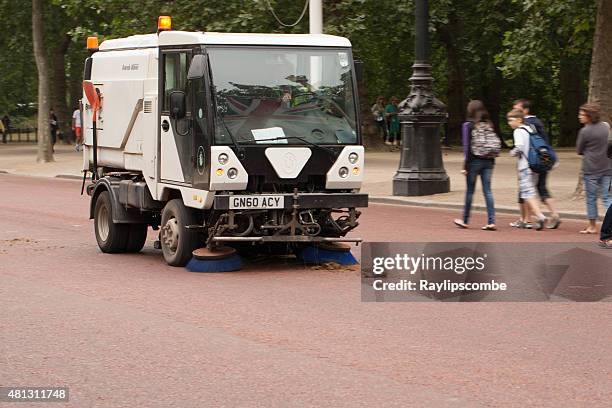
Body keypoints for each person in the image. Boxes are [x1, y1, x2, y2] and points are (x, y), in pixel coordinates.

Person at [512, 99, 560, 229]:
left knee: (526, 190)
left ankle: (527, 219)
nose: (514, 112)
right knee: (542, 188)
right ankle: (554, 214)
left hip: (531, 162)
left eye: (517, 110)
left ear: (525, 111)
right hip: (544, 158)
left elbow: (521, 147)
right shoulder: (537, 122)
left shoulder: (523, 125)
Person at [454, 100, 498, 230]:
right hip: (489, 161)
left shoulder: (468, 125)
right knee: (488, 191)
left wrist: (465, 166)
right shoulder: (489, 124)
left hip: (474, 162)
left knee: (470, 192)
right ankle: (491, 221)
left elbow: (467, 148)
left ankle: (465, 220)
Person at [507, 109, 548, 230]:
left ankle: (540, 216)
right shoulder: (530, 129)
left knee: (527, 192)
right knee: (530, 192)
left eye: (511, 120)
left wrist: (512, 152)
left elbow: (519, 147)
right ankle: (533, 217)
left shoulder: (518, 131)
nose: (509, 122)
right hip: (535, 164)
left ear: (519, 120)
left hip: (525, 166)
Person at [576, 103, 612, 234]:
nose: (579, 116)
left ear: (589, 116)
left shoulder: (584, 131)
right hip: (608, 166)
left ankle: (592, 226)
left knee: (591, 198)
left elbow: (579, 150)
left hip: (591, 169)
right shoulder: (606, 126)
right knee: (607, 198)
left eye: (581, 114)